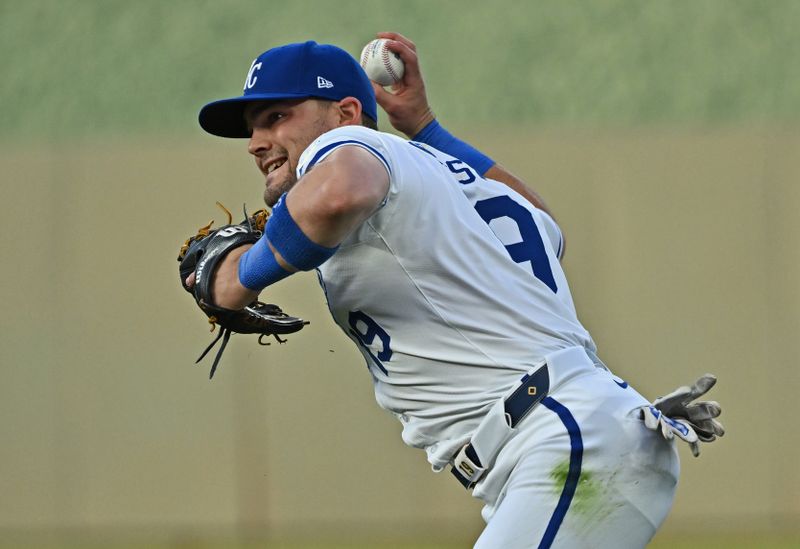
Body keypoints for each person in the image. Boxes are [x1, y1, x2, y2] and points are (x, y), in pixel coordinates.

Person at [187, 33, 714, 548]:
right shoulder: (439, 176)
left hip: (559, 439)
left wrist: (240, 277)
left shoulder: (351, 148)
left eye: (277, 117)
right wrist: (426, 128)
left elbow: (343, 188)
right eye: (253, 128)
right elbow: (544, 223)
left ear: (346, 112)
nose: (256, 143)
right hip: (571, 436)